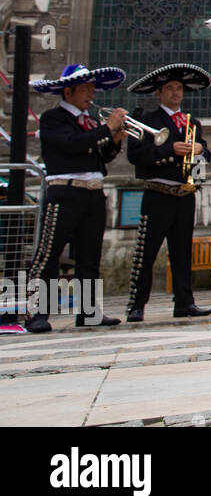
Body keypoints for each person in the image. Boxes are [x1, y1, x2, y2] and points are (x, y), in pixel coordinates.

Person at [24, 64, 129, 332]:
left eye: (92, 90)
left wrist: (114, 140)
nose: (90, 95)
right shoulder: (53, 118)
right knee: (49, 253)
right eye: (85, 90)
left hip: (92, 192)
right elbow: (73, 145)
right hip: (64, 192)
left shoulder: (91, 122)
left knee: (89, 256)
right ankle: (37, 313)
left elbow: (98, 158)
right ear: (68, 91)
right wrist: (106, 129)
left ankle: (89, 311)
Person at [124, 64, 211, 322]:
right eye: (169, 89)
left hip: (184, 194)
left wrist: (201, 151)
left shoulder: (191, 122)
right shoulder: (146, 120)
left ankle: (185, 302)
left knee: (182, 251)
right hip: (158, 193)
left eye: (178, 89)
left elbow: (204, 155)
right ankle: (137, 304)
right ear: (159, 93)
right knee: (147, 251)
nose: (175, 93)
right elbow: (136, 155)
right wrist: (170, 150)